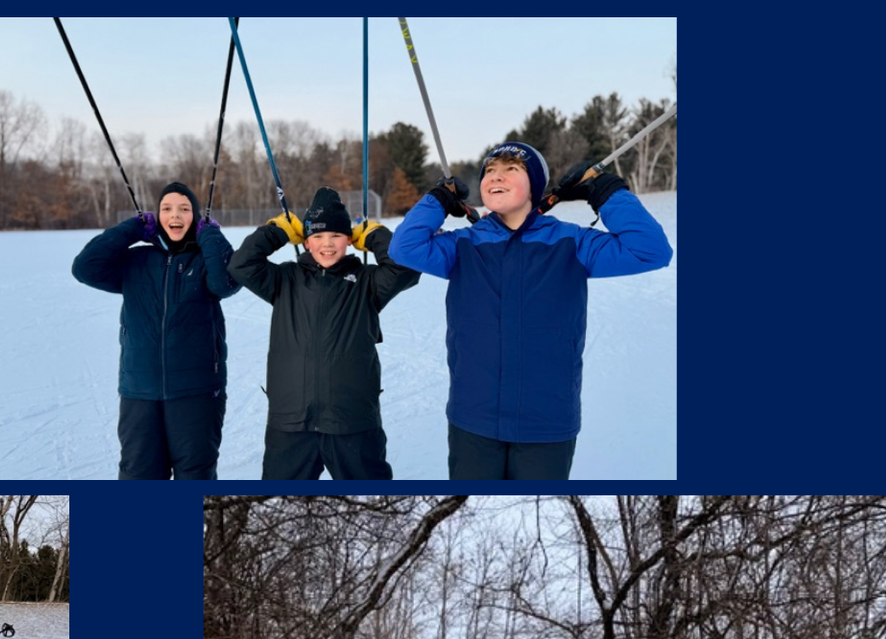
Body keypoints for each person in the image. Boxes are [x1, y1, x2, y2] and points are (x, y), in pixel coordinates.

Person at [388, 141, 673, 479]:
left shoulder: (572, 243)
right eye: (490, 170)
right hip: (473, 420)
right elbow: (404, 248)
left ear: (535, 188)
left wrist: (604, 190)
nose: (497, 176)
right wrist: (438, 199)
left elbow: (651, 250)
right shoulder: (463, 245)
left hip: (547, 423)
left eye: (512, 169)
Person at [229, 187, 421, 480]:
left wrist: (375, 236)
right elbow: (240, 265)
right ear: (306, 241)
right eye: (318, 236)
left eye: (336, 236)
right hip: (290, 424)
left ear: (349, 239)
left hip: (352, 422)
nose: (327, 244)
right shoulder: (284, 280)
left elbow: (406, 266)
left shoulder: (367, 282)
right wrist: (276, 232)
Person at [71, 181, 240, 479]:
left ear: (196, 216)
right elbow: (85, 268)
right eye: (166, 209)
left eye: (185, 209)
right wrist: (133, 228)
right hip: (140, 392)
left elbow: (226, 283)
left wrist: (211, 235)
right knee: (138, 477)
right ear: (156, 216)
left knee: (195, 478)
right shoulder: (136, 261)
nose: (175, 215)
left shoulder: (204, 261)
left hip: (196, 392)